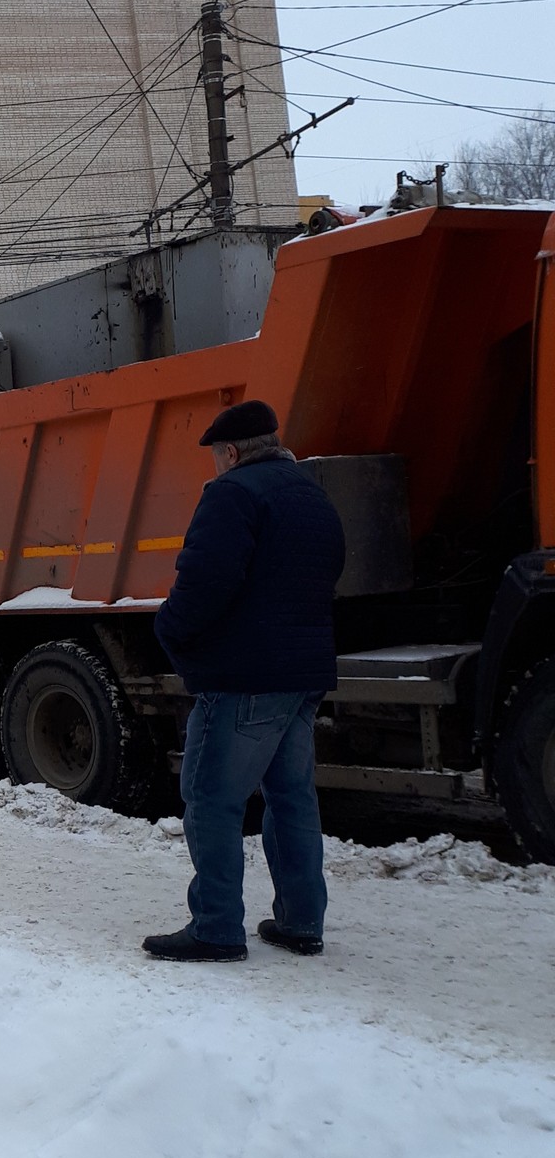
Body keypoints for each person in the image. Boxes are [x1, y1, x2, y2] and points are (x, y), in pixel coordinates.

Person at [144, 400, 345, 963]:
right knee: (291, 798)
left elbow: (205, 581)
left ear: (230, 452)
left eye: (215, 456)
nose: (214, 465)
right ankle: (302, 921)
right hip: (303, 675)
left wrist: (169, 631)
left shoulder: (233, 493)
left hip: (246, 677)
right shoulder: (310, 493)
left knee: (211, 798)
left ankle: (215, 928)